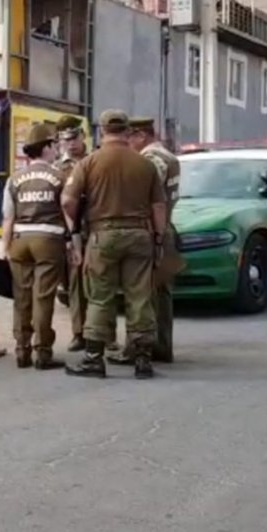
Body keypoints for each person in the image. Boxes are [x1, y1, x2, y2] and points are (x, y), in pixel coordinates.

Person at [61, 109, 168, 379]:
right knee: (140, 295)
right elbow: (159, 206)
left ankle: (94, 359)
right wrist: (158, 238)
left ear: (102, 131)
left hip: (102, 236)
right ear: (127, 131)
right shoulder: (145, 164)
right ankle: (142, 360)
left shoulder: (88, 163)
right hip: (140, 234)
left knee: (99, 297)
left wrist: (76, 228)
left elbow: (67, 201)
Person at [109, 117, 184, 365]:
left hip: (151, 230)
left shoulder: (151, 160)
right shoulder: (169, 157)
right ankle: (161, 346)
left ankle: (139, 348)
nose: (126, 143)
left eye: (129, 137)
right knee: (161, 294)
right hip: (165, 228)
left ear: (141, 135)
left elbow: (146, 197)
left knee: (140, 293)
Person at [1, 122, 70, 370]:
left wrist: (5, 249)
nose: (57, 149)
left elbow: (7, 217)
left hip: (20, 241)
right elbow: (68, 210)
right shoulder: (59, 177)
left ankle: (22, 350)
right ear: (47, 147)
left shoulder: (14, 179)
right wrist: (74, 242)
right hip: (49, 241)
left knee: (22, 297)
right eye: (54, 145)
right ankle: (43, 352)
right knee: (43, 297)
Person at [54, 115, 118, 353]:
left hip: (98, 227)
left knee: (104, 283)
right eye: (65, 140)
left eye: (74, 138)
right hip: (73, 231)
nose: (71, 144)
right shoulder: (58, 168)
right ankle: (79, 334)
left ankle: (107, 335)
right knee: (76, 285)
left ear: (83, 136)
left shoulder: (97, 160)